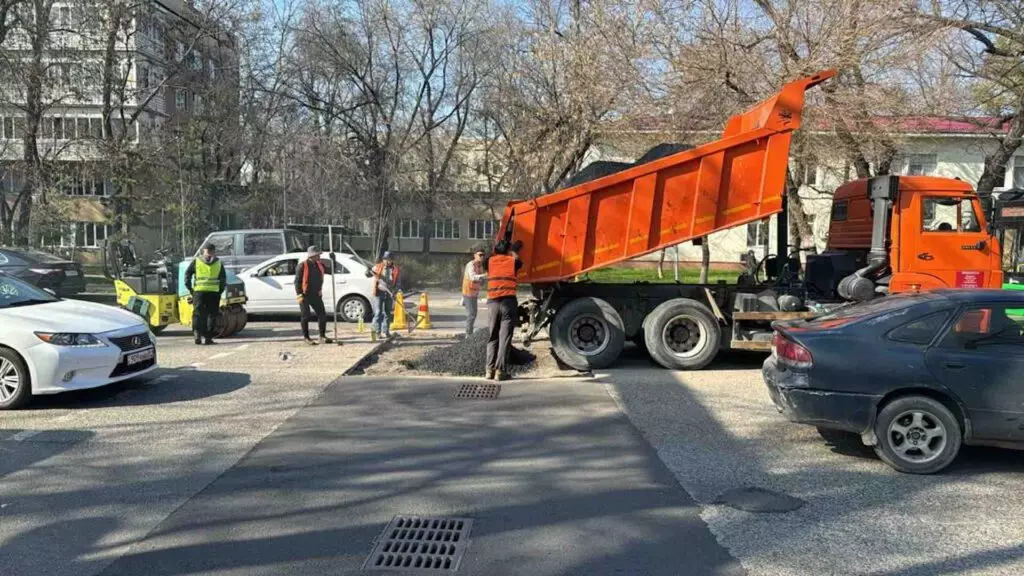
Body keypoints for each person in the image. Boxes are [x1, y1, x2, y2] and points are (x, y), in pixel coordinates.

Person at [484, 240, 522, 380]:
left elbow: (487, 258)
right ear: (508, 250)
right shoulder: (513, 261)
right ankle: (500, 372)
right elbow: (519, 262)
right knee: (504, 338)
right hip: (508, 302)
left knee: (492, 336)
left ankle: (489, 370)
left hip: (493, 302)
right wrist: (515, 250)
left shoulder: (489, 261)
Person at [184, 244, 226, 345]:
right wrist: (219, 291)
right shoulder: (219, 263)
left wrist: (190, 289)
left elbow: (187, 274)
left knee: (198, 314)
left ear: (204, 251)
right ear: (214, 251)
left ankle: (197, 335)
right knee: (211, 315)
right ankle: (208, 338)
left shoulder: (197, 261)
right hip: (214, 292)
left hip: (199, 292)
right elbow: (223, 279)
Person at [295, 246, 332, 345]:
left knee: (322, 315)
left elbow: (332, 270)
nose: (319, 256)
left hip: (316, 294)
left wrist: (333, 260)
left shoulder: (319, 265)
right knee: (305, 316)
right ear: (312, 255)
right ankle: (306, 337)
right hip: (304, 294)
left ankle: (322, 336)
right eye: (318, 255)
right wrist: (299, 295)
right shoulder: (302, 266)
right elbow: (297, 282)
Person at [372, 251, 401, 338]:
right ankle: (377, 332)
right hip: (379, 292)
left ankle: (386, 331)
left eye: (389, 260)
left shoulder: (396, 270)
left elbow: (398, 283)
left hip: (389, 293)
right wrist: (367, 272)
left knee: (387, 313)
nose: (387, 262)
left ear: (392, 260)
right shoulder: (377, 267)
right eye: (385, 260)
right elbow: (369, 274)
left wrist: (394, 292)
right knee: (378, 313)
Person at [461, 249, 488, 336]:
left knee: (473, 314)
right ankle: (468, 334)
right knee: (471, 315)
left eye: (483, 255)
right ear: (475, 255)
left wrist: (484, 279)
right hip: (468, 292)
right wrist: (484, 276)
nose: (482, 257)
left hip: (474, 293)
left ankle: (469, 332)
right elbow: (472, 277)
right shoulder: (471, 264)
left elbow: (480, 279)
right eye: (480, 255)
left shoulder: (480, 266)